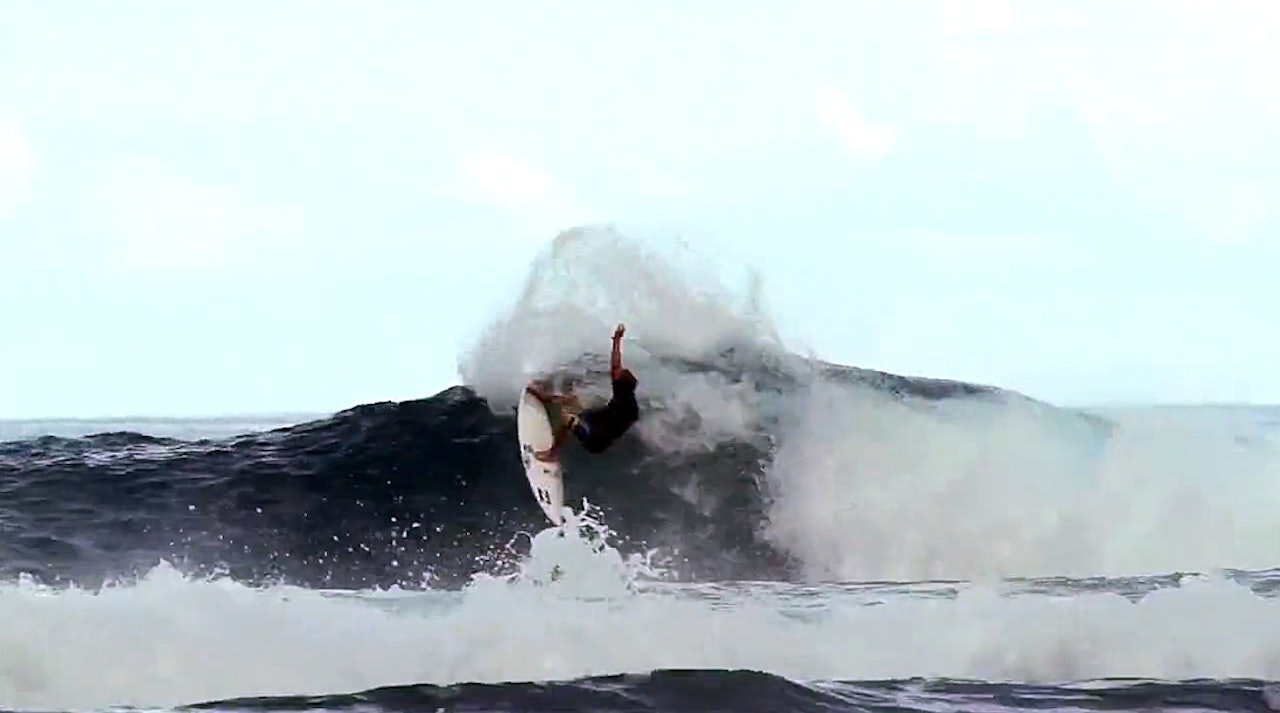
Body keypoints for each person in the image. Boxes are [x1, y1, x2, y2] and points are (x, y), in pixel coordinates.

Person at [526, 323, 638, 462]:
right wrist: (617, 340)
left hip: (595, 440)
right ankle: (544, 397)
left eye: (618, 374)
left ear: (621, 384)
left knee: (568, 419)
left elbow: (617, 428)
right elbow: (615, 365)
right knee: (572, 399)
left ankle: (551, 454)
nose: (614, 372)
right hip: (595, 420)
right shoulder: (623, 392)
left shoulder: (627, 406)